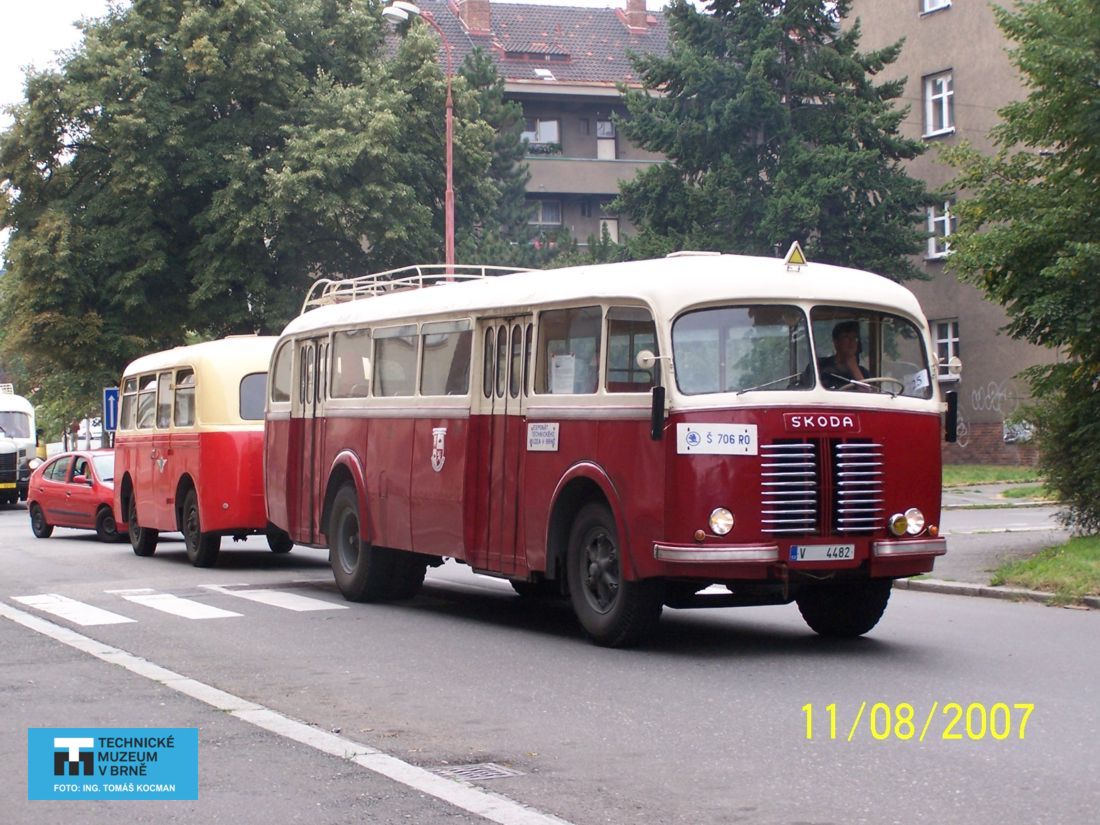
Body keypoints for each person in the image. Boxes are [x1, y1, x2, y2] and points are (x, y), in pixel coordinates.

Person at [817, 320, 871, 389]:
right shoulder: (820, 366)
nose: (851, 341)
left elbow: (867, 393)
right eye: (846, 337)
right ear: (836, 342)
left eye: (854, 337)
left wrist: (854, 368)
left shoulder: (863, 372)